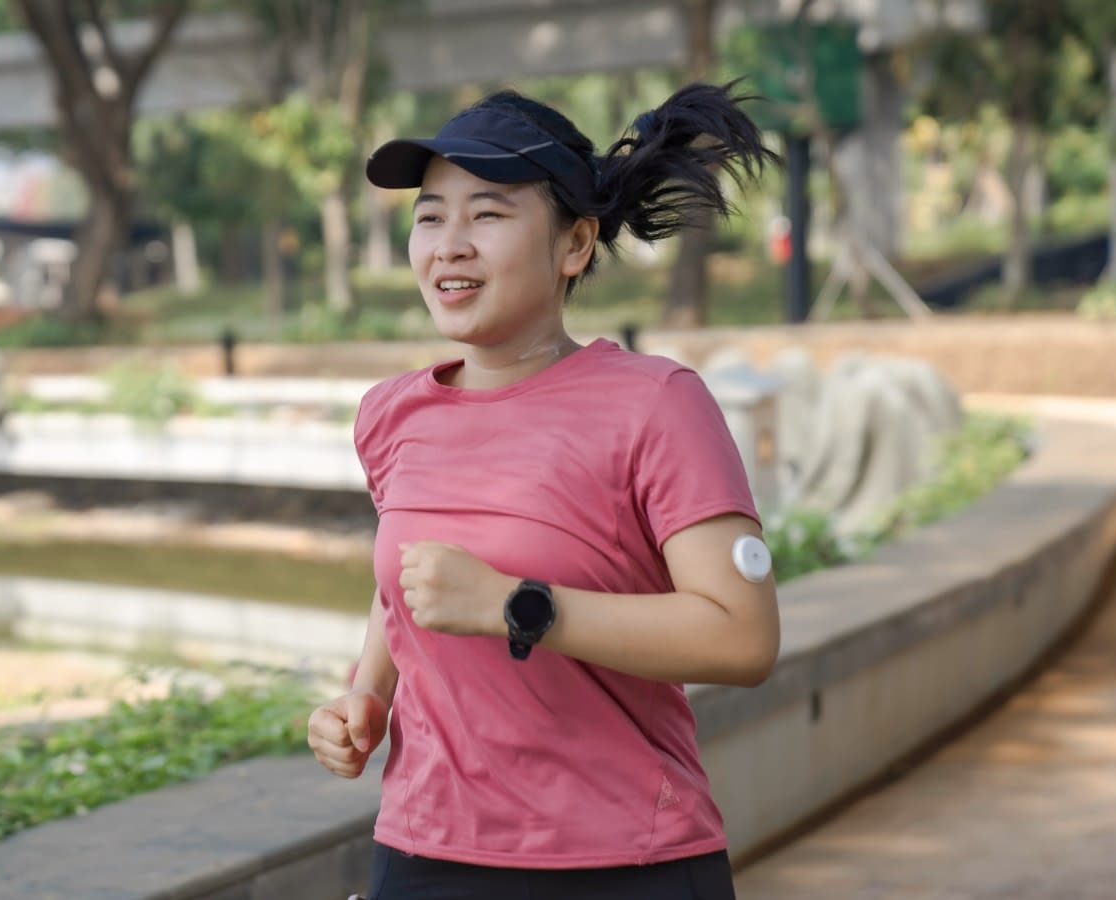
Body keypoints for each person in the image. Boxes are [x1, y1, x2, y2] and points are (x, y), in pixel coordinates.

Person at [305, 81, 782, 900]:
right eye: (431, 215)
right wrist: (364, 696)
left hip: (625, 862)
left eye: (487, 214)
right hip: (424, 854)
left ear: (574, 245)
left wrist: (517, 606)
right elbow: (411, 585)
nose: (449, 243)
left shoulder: (656, 404)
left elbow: (742, 639)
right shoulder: (391, 414)